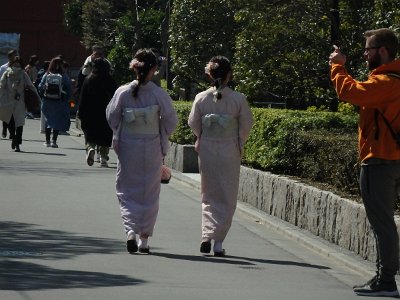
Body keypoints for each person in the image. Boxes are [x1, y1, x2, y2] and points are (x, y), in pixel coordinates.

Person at [329, 28, 400, 297]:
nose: (365, 55)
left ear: (382, 51)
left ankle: (386, 281)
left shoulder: (386, 82)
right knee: (386, 223)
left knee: (382, 224)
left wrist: (337, 67)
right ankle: (383, 277)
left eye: (368, 50)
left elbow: (351, 92)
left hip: (379, 161)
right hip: (395, 158)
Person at [106, 48, 178, 254]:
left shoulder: (122, 92)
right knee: (150, 192)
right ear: (154, 69)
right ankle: (144, 240)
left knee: (126, 189)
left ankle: (130, 230)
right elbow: (171, 121)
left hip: (128, 145)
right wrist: (159, 129)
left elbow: (112, 118)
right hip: (152, 146)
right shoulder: (158, 94)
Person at [188, 56, 253, 257]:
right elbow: (246, 125)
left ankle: (206, 236)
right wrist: (238, 141)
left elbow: (193, 122)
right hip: (229, 149)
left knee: (208, 193)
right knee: (227, 194)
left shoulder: (201, 97)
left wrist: (202, 136)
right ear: (229, 75)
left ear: (210, 75)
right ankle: (218, 242)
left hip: (208, 147)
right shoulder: (238, 99)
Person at [78, 58, 118, 167]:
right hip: (105, 113)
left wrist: (80, 112)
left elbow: (83, 98)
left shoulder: (88, 80)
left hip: (90, 113)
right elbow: (116, 98)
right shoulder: (111, 81)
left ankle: (90, 148)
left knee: (90, 135)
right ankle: (103, 158)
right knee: (105, 136)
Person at [0, 56, 39, 152]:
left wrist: (37, 97)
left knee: (19, 123)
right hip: (8, 101)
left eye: (18, 63)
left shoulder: (23, 74)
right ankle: (13, 137)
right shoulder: (7, 73)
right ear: (12, 63)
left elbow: (31, 85)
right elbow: (1, 85)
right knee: (10, 122)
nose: (16, 64)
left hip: (20, 102)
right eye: (15, 63)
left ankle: (17, 142)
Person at [38, 57, 72, 148]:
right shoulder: (63, 75)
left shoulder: (47, 74)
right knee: (57, 120)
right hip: (59, 101)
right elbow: (69, 88)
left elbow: (40, 86)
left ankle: (47, 141)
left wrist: (42, 96)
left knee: (47, 120)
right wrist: (66, 99)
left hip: (47, 101)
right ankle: (54, 141)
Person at [0, 49, 18, 138]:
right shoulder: (3, 67)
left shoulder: (18, 67)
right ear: (10, 57)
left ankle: (12, 133)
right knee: (6, 112)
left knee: (13, 114)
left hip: (15, 94)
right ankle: (4, 128)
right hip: (5, 94)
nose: (16, 57)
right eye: (14, 55)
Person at [25, 54, 40, 118]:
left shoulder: (27, 67)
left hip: (26, 86)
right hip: (31, 86)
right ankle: (30, 112)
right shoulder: (33, 68)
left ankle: (27, 112)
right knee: (32, 100)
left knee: (27, 100)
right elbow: (34, 79)